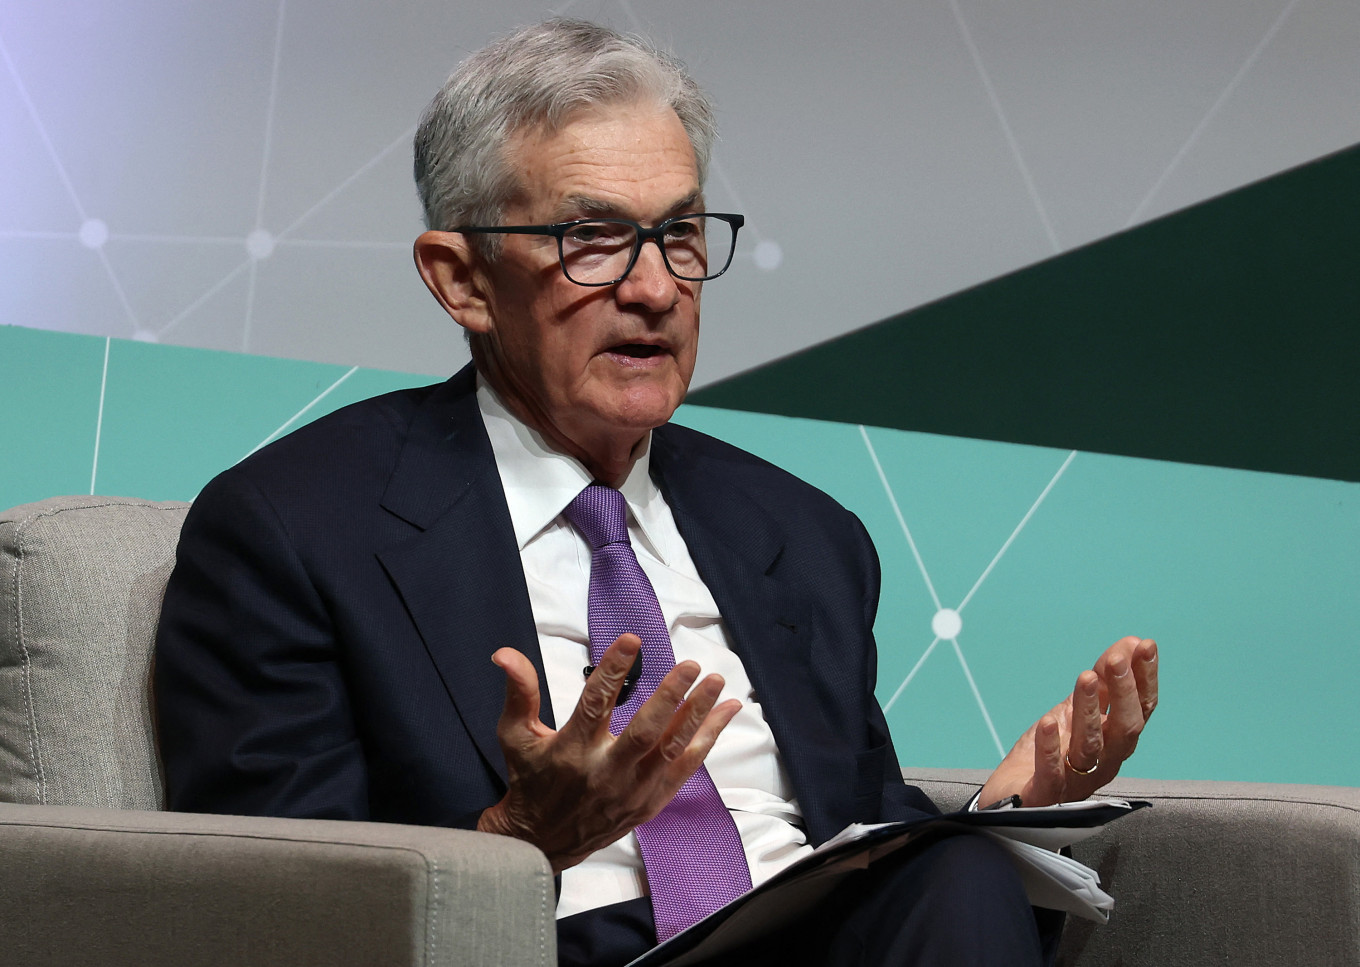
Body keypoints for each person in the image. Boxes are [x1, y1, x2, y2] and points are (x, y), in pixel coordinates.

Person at [154, 19, 1158, 966]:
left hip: (803, 932)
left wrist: (1006, 810)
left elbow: (857, 841)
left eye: (680, 234)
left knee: (961, 869)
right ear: (461, 279)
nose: (654, 287)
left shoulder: (800, 533)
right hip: (558, 941)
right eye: (592, 236)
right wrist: (518, 841)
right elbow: (274, 896)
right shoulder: (293, 527)